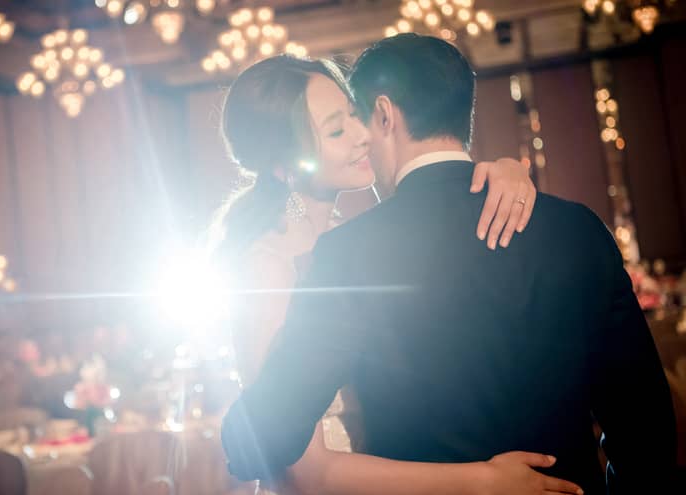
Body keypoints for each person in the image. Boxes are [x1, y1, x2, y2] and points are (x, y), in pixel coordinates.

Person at [221, 34, 678, 495]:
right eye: (339, 128)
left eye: (357, 117)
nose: (362, 137)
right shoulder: (575, 227)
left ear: (385, 114)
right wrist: (482, 480)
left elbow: (253, 437)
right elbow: (645, 427)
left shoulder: (348, 250)